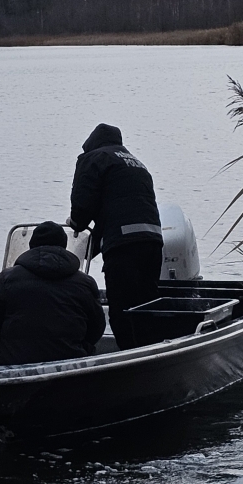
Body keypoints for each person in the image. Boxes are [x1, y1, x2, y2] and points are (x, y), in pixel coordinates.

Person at [68, 123, 162, 350]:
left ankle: (130, 363)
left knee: (122, 310)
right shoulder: (136, 162)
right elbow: (120, 203)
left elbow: (83, 204)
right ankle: (152, 355)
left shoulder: (93, 158)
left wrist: (76, 222)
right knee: (146, 307)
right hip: (153, 241)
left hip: (123, 245)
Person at [0, 221, 106, 366]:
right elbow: (96, 327)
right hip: (69, 364)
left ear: (31, 245)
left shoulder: (5, 279)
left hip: (11, 364)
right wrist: (82, 350)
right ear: (64, 246)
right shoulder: (85, 283)